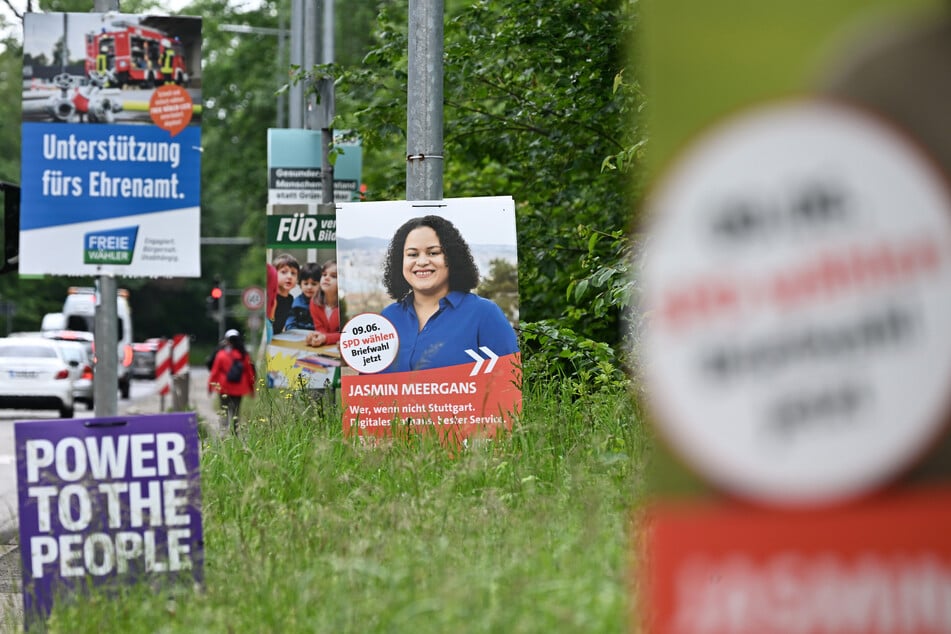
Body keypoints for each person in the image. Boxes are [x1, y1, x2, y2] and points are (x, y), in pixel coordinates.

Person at [379, 215, 519, 373]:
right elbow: (367, 389)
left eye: (433, 253)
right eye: (412, 254)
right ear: (400, 261)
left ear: (452, 257)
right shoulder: (387, 318)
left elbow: (509, 385)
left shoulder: (484, 314)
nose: (422, 261)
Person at [208, 329, 256, 435]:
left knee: (223, 411)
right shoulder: (244, 355)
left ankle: (223, 432)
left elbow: (214, 372)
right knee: (235, 412)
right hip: (239, 388)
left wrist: (210, 387)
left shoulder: (221, 355)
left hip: (223, 387)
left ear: (227, 341)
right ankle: (235, 434)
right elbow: (250, 373)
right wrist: (252, 390)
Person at [306, 260, 341, 347]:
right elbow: (320, 328)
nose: (326, 278)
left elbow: (348, 334)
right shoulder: (314, 302)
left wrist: (325, 338)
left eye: (333, 276)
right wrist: (316, 336)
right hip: (326, 348)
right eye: (324, 274)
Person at [284, 261, 321, 332]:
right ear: (300, 284)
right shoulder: (295, 304)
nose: (309, 287)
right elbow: (290, 324)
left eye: (314, 284)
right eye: (306, 283)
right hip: (298, 336)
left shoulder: (324, 303)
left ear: (320, 285)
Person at [271, 253, 299, 335]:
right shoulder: (271, 298)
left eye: (293, 273)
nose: (289, 276)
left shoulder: (290, 299)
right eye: (284, 272)